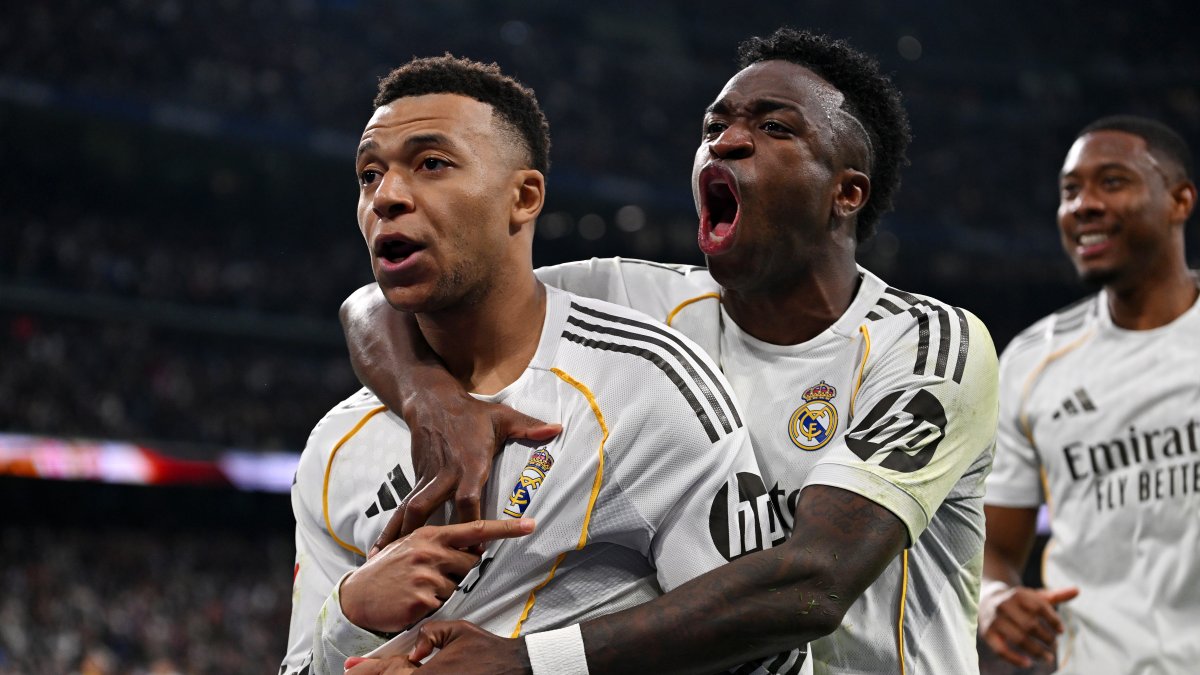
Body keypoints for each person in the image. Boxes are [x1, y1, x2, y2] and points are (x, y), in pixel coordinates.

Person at [340, 28, 1000, 674]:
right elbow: (383, 299)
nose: (728, 140)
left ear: (845, 193)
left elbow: (813, 582)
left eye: (774, 128)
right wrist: (430, 396)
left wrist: (532, 661)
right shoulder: (633, 301)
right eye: (715, 126)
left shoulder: (925, 344)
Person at [278, 55, 791, 675]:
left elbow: (763, 655)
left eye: (431, 164)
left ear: (523, 198)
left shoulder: (645, 383)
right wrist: (351, 611)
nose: (386, 196)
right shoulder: (335, 445)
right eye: (368, 175)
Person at [980, 115, 1199, 673]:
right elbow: (997, 549)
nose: (1084, 205)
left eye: (1113, 181)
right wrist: (995, 600)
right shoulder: (1031, 361)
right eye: (1070, 191)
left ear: (1179, 201)